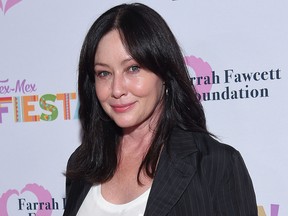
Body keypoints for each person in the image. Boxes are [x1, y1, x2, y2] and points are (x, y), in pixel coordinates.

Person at [63, 3, 257, 216]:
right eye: (104, 73)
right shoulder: (83, 163)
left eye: (133, 69)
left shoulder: (215, 165)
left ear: (164, 73)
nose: (117, 89)